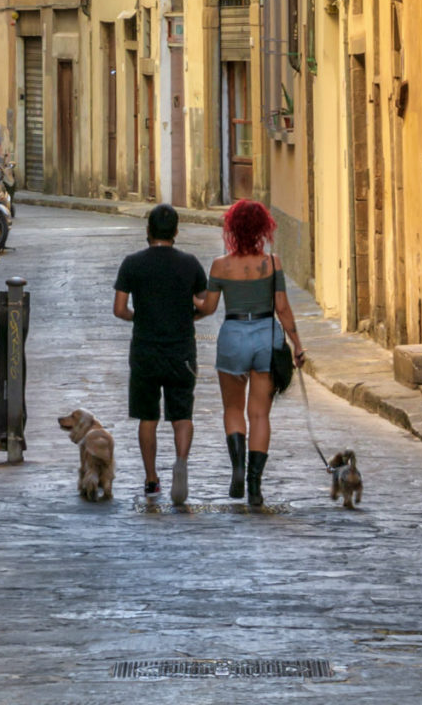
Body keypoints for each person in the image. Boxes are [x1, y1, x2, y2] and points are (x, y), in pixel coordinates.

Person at [195, 199, 305, 508]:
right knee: (259, 414)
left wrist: (192, 299)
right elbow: (282, 307)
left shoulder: (220, 265)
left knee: (233, 409)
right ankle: (255, 486)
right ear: (262, 229)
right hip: (265, 338)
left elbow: (209, 308)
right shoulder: (272, 263)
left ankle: (238, 468)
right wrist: (297, 345)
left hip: (232, 336)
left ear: (231, 230)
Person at [113, 203, 210, 502]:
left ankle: (151, 479)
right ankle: (180, 465)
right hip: (181, 350)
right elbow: (204, 305)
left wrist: (139, 317)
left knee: (148, 416)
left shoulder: (132, 263)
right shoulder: (190, 263)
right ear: (176, 232)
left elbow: (119, 309)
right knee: (182, 414)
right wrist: (188, 316)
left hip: (145, 350)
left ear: (148, 231)